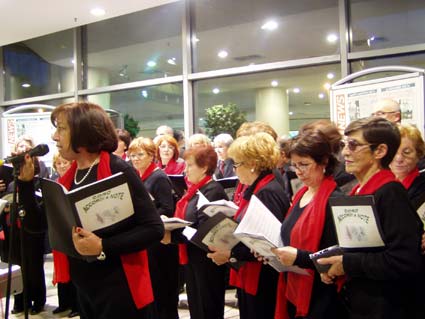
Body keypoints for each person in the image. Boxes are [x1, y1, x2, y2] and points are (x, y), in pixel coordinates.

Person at [19, 102, 164, 318]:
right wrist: (26, 184)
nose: (54, 136)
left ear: (82, 131)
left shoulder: (118, 169)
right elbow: (37, 225)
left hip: (121, 290)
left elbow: (154, 229)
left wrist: (103, 246)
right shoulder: (68, 178)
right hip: (86, 289)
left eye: (61, 128)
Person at [319, 117, 423, 319]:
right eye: (344, 145)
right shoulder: (359, 190)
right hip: (363, 303)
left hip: (387, 306)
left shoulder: (390, 193)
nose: (345, 152)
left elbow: (404, 260)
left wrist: (346, 264)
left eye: (353, 145)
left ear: (380, 151)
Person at [207, 132, 290, 319]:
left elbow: (267, 241)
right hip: (254, 273)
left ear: (252, 164)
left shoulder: (267, 191)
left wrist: (230, 253)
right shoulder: (260, 187)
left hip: (263, 276)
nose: (234, 170)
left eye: (237, 164)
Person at [271, 129, 346, 319]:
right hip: (295, 285)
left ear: (324, 162)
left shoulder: (334, 200)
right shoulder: (301, 194)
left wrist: (299, 258)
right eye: (294, 165)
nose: (298, 172)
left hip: (321, 294)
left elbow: (336, 254)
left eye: (304, 164)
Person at [163, 145, 228, 319]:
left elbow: (204, 229)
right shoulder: (196, 190)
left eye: (190, 165)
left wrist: (172, 236)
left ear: (204, 167)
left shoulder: (212, 190)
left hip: (206, 260)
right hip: (193, 258)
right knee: (197, 308)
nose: (185, 170)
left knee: (207, 308)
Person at [128, 137, 179, 319]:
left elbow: (167, 208)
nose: (135, 159)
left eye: (140, 154)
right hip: (146, 238)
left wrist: (145, 218)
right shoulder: (137, 176)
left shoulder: (158, 177)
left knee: (163, 291)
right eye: (132, 155)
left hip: (159, 241)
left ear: (151, 155)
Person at [5, 135, 48, 315]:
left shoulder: (39, 181)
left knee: (34, 267)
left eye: (26, 147)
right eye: (19, 147)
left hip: (32, 231)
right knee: (17, 265)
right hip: (14, 230)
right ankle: (20, 300)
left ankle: (38, 300)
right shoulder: (12, 183)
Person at [50, 153, 80, 318]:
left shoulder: (74, 182)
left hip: (73, 231)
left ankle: (76, 304)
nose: (61, 166)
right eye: (58, 163)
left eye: (65, 163)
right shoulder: (55, 183)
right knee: (60, 266)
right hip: (59, 230)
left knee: (73, 267)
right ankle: (64, 302)